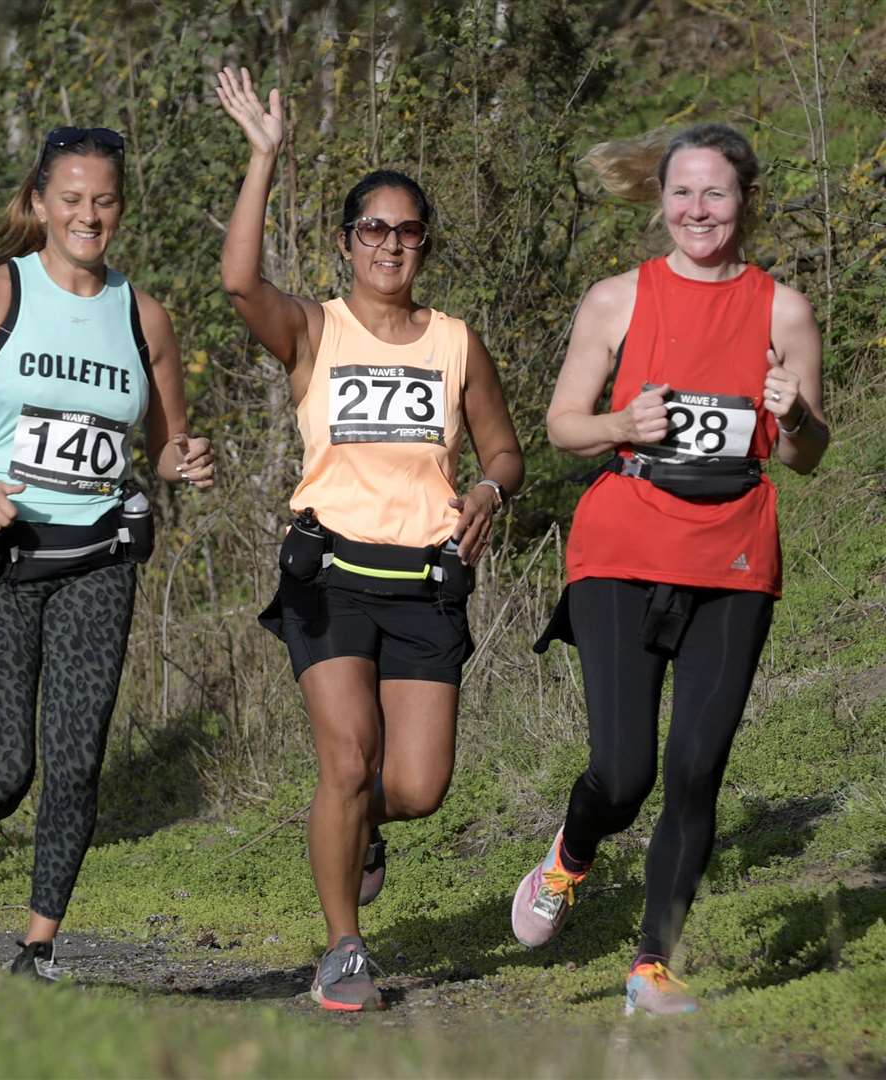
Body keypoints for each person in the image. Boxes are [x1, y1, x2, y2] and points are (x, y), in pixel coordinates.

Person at [215, 67, 524, 1012]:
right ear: (350, 241)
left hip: (427, 580)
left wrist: (486, 487)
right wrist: (264, 157)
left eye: (408, 230)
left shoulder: (456, 342)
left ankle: (357, 828)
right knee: (346, 758)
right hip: (332, 572)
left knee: (417, 785)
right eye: (373, 229)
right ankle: (344, 946)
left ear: (425, 244)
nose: (391, 244)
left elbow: (506, 450)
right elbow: (237, 282)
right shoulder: (315, 327)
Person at [0, 125, 215, 979]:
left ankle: (36, 944)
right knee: (3, 767)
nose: (88, 216)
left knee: (75, 759)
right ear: (39, 204)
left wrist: (190, 458)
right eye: (70, 199)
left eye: (104, 200)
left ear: (121, 208)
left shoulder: (144, 317)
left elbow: (166, 447)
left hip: (98, 556)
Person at [516, 123, 829, 1015]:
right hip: (622, 540)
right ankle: (570, 856)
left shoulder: (785, 310)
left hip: (734, 550)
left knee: (696, 767)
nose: (698, 210)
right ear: (660, 202)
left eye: (716, 193)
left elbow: (807, 452)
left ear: (745, 202)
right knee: (625, 771)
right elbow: (563, 423)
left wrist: (795, 415)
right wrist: (622, 427)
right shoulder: (617, 300)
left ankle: (652, 964)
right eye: (683, 193)